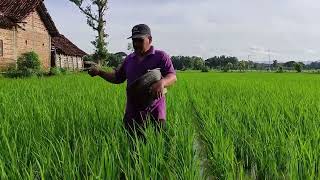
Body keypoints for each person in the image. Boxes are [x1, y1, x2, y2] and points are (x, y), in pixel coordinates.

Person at [88, 24, 177, 138]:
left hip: (155, 108)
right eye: (134, 40)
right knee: (133, 144)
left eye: (140, 40)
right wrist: (99, 72)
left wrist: (162, 82)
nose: (136, 44)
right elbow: (117, 78)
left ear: (149, 39)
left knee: (160, 142)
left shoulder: (161, 56)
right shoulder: (129, 59)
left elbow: (172, 76)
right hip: (133, 108)